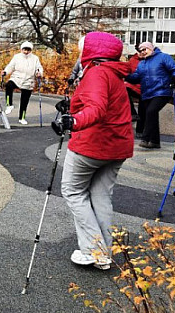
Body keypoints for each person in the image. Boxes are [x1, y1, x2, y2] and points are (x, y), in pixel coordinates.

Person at [54, 31, 133, 269]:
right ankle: (103, 255)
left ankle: (93, 251)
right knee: (100, 197)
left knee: (73, 192)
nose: (80, 53)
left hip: (93, 144)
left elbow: (97, 108)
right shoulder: (113, 72)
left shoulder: (96, 73)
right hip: (117, 145)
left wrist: (74, 121)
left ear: (91, 52)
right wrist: (73, 106)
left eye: (82, 49)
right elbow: (101, 103)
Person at [126, 42, 175, 149]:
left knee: (151, 111)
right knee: (152, 114)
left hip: (162, 90)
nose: (143, 52)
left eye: (145, 49)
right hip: (147, 92)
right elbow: (136, 77)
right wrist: (126, 76)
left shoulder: (163, 57)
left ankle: (145, 138)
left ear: (151, 48)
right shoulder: (142, 64)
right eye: (140, 50)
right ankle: (155, 141)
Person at [2, 41, 44, 125]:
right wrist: (6, 72)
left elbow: (38, 68)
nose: (26, 52)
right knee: (9, 85)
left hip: (29, 81)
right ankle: (9, 104)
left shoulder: (35, 58)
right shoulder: (16, 57)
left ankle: (22, 117)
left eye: (28, 50)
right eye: (24, 49)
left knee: (24, 101)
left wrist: (39, 73)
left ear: (31, 50)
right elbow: (11, 66)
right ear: (21, 49)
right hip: (16, 78)